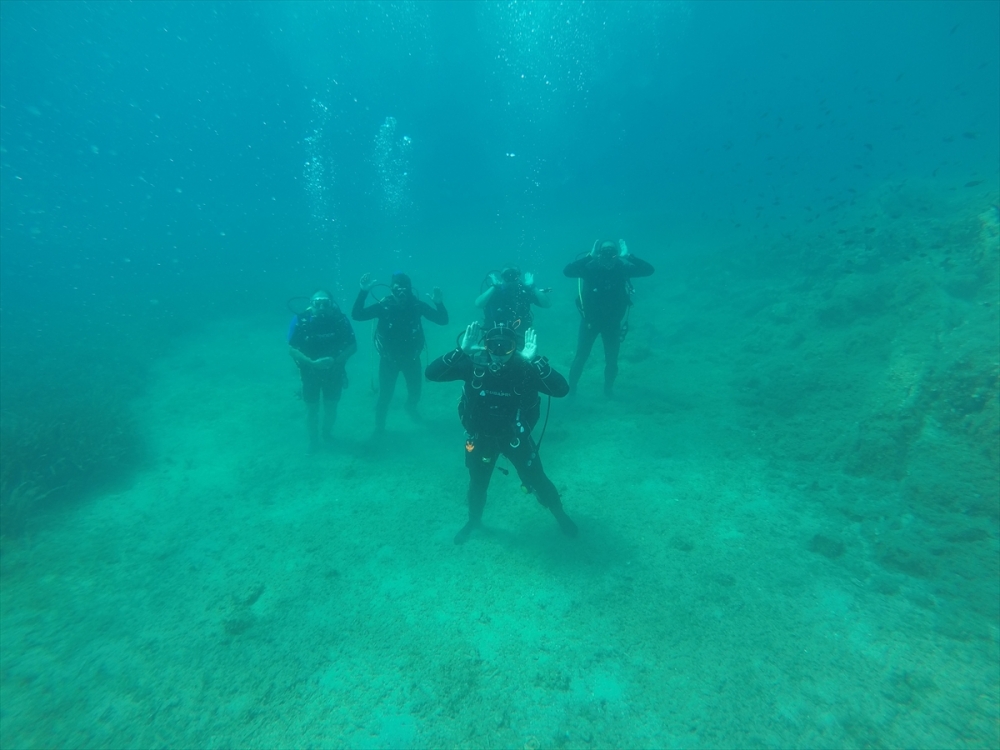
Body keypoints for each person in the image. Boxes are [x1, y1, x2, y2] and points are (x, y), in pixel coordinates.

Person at [426, 321, 578, 544]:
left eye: (504, 347)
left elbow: (562, 390)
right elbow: (431, 374)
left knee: (537, 479)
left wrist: (534, 359)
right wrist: (461, 351)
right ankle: (474, 520)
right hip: (480, 439)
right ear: (485, 346)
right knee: (477, 483)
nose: (498, 353)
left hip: (516, 439)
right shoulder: (473, 366)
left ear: (514, 347)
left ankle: (560, 514)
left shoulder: (525, 370)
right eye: (492, 346)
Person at [352, 271, 448, 434]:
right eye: (397, 290)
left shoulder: (417, 306)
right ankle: (379, 428)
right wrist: (363, 291)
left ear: (410, 290)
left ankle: (410, 408)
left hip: (412, 359)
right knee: (385, 396)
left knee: (415, 392)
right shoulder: (384, 307)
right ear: (391, 290)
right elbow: (357, 315)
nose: (402, 293)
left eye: (405, 289)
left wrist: (439, 303)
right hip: (389, 361)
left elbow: (442, 320)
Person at [563, 239, 654, 397]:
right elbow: (568, 271)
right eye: (604, 250)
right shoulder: (590, 268)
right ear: (598, 252)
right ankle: (572, 390)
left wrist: (629, 256)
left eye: (612, 251)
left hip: (612, 323)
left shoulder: (622, 268)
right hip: (590, 322)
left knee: (612, 359)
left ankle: (608, 390)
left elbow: (649, 270)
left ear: (617, 253)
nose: (608, 253)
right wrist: (589, 257)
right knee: (581, 356)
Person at [288, 290, 357, 450]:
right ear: (310, 304)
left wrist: (335, 361)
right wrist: (311, 362)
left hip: (334, 372)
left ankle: (327, 434)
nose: (321, 307)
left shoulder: (340, 320)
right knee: (312, 409)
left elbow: (353, 346)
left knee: (331, 406)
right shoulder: (301, 320)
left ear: (331, 304)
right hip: (309, 373)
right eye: (316, 303)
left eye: (325, 303)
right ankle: (313, 441)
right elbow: (291, 349)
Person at [474, 266, 551, 348]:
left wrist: (532, 287)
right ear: (502, 278)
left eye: (513, 276)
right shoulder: (495, 291)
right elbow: (478, 304)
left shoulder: (523, 292)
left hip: (520, 335)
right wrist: (494, 286)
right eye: (507, 276)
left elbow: (547, 304)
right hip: (494, 335)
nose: (510, 279)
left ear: (518, 277)